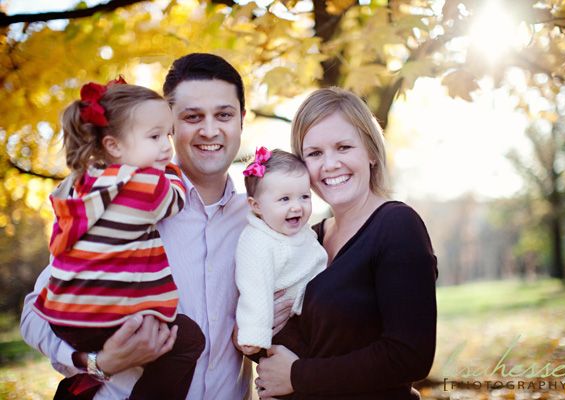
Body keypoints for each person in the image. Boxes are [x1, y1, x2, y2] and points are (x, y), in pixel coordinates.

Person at [21, 53, 292, 399]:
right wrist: (98, 361)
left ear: (242, 119)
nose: (210, 130)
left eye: (224, 115)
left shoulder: (260, 220)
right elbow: (36, 314)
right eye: (192, 117)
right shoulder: (121, 202)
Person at [253, 87, 438, 400]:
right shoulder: (306, 238)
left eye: (343, 147)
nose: (330, 164)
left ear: (370, 152)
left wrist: (298, 376)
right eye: (314, 154)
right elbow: (295, 346)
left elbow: (410, 356)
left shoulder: (397, 227)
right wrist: (250, 335)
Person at [31, 78, 205, 399]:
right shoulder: (145, 184)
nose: (167, 147)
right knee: (189, 340)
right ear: (113, 146)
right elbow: (177, 197)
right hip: (103, 318)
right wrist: (172, 171)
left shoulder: (80, 185)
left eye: (168, 135)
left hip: (63, 318)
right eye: (155, 136)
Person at [235, 147, 326, 355]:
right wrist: (253, 333)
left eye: (304, 197)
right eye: (284, 199)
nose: (297, 207)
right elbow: (254, 290)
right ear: (256, 206)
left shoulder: (301, 230)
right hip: (283, 327)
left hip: (309, 314)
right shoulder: (257, 241)